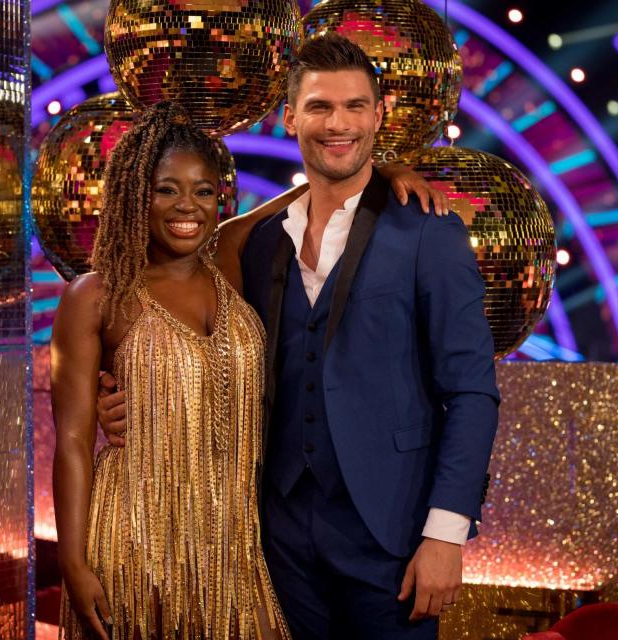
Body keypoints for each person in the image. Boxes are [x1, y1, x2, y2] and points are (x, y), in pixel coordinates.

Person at [97, 34, 498, 640]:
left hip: (391, 537)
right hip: (273, 539)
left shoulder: (428, 234)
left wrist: (445, 534)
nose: (338, 123)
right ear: (289, 117)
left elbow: (472, 393)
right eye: (319, 107)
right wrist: (125, 396)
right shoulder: (259, 245)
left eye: (355, 106)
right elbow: (191, 334)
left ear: (379, 114)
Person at [52, 102, 293, 640]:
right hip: (134, 543)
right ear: (136, 194)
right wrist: (72, 563)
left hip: (235, 546)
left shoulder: (230, 260)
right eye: (166, 189)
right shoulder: (96, 295)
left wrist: (378, 171)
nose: (188, 206)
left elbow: (305, 195)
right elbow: (71, 440)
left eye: (203, 191)